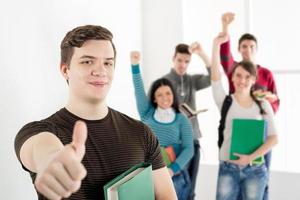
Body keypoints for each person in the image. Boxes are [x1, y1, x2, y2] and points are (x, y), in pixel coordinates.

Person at [14, 25, 177, 200]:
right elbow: (40, 149)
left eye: (108, 62)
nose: (101, 71)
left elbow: (166, 196)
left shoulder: (142, 133)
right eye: (87, 61)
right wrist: (51, 160)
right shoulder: (40, 131)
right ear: (65, 70)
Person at [211, 32, 278, 200]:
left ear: (254, 79)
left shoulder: (263, 105)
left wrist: (250, 157)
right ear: (232, 77)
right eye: (239, 75)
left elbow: (273, 138)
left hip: (255, 170)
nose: (242, 80)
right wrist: (215, 46)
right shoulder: (225, 101)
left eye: (247, 76)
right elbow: (215, 78)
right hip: (228, 168)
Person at [130, 51, 194, 200]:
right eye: (160, 94)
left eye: (168, 93)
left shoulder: (181, 119)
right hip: (149, 175)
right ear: (154, 98)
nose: (165, 98)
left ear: (173, 95)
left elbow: (189, 149)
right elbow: (139, 90)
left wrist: (172, 170)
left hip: (174, 176)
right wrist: (134, 65)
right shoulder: (147, 113)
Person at [162, 42, 211, 199]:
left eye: (187, 61)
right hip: (174, 144)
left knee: (191, 191)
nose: (183, 65)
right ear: (173, 58)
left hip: (193, 139)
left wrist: (202, 53)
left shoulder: (192, 80)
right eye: (180, 60)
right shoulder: (163, 82)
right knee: (177, 189)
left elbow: (213, 77)